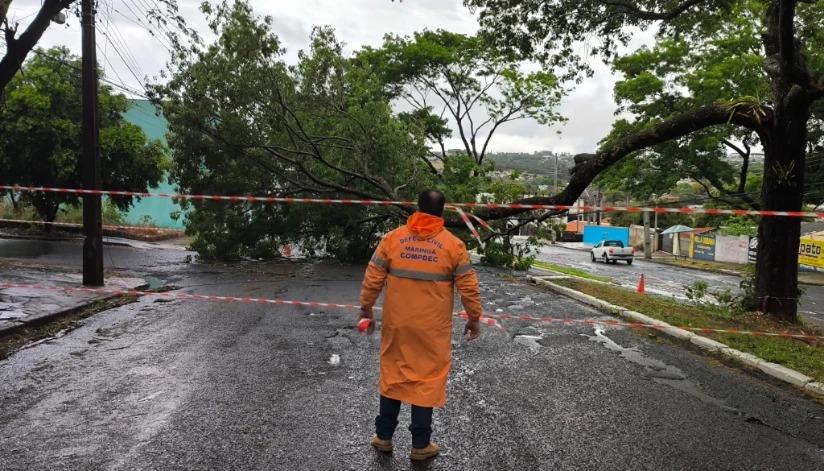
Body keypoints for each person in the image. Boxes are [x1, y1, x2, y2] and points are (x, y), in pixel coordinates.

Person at [359, 189, 483, 461]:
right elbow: (469, 287)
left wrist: (366, 308)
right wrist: (474, 318)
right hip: (432, 329)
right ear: (441, 213)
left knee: (393, 373)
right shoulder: (453, 245)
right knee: (426, 380)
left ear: (417, 209)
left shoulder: (393, 239)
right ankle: (420, 445)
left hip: (397, 324)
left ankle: (383, 437)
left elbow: (373, 277)